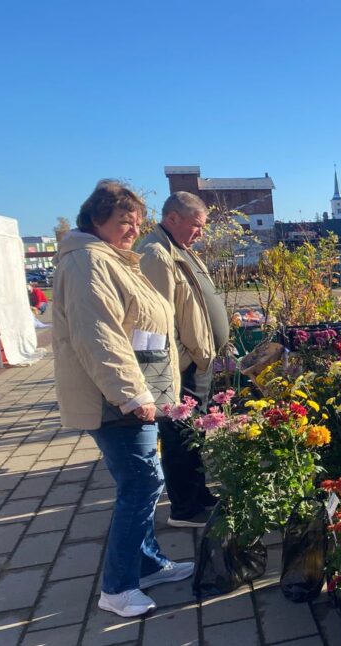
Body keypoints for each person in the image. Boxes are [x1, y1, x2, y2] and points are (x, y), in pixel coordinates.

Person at [53, 180, 192, 618]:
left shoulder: (110, 258)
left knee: (143, 482)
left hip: (132, 394)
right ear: (97, 221)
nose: (132, 229)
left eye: (136, 221)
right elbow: (99, 338)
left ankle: (147, 564)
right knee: (141, 484)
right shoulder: (87, 263)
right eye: (123, 221)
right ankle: (117, 588)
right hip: (115, 403)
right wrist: (132, 396)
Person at [137, 191, 227, 528]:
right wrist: (183, 361)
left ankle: (198, 493)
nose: (200, 232)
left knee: (195, 434)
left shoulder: (179, 249)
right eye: (195, 225)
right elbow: (155, 320)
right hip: (182, 367)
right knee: (178, 435)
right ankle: (185, 508)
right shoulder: (155, 254)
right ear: (172, 217)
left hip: (197, 362)